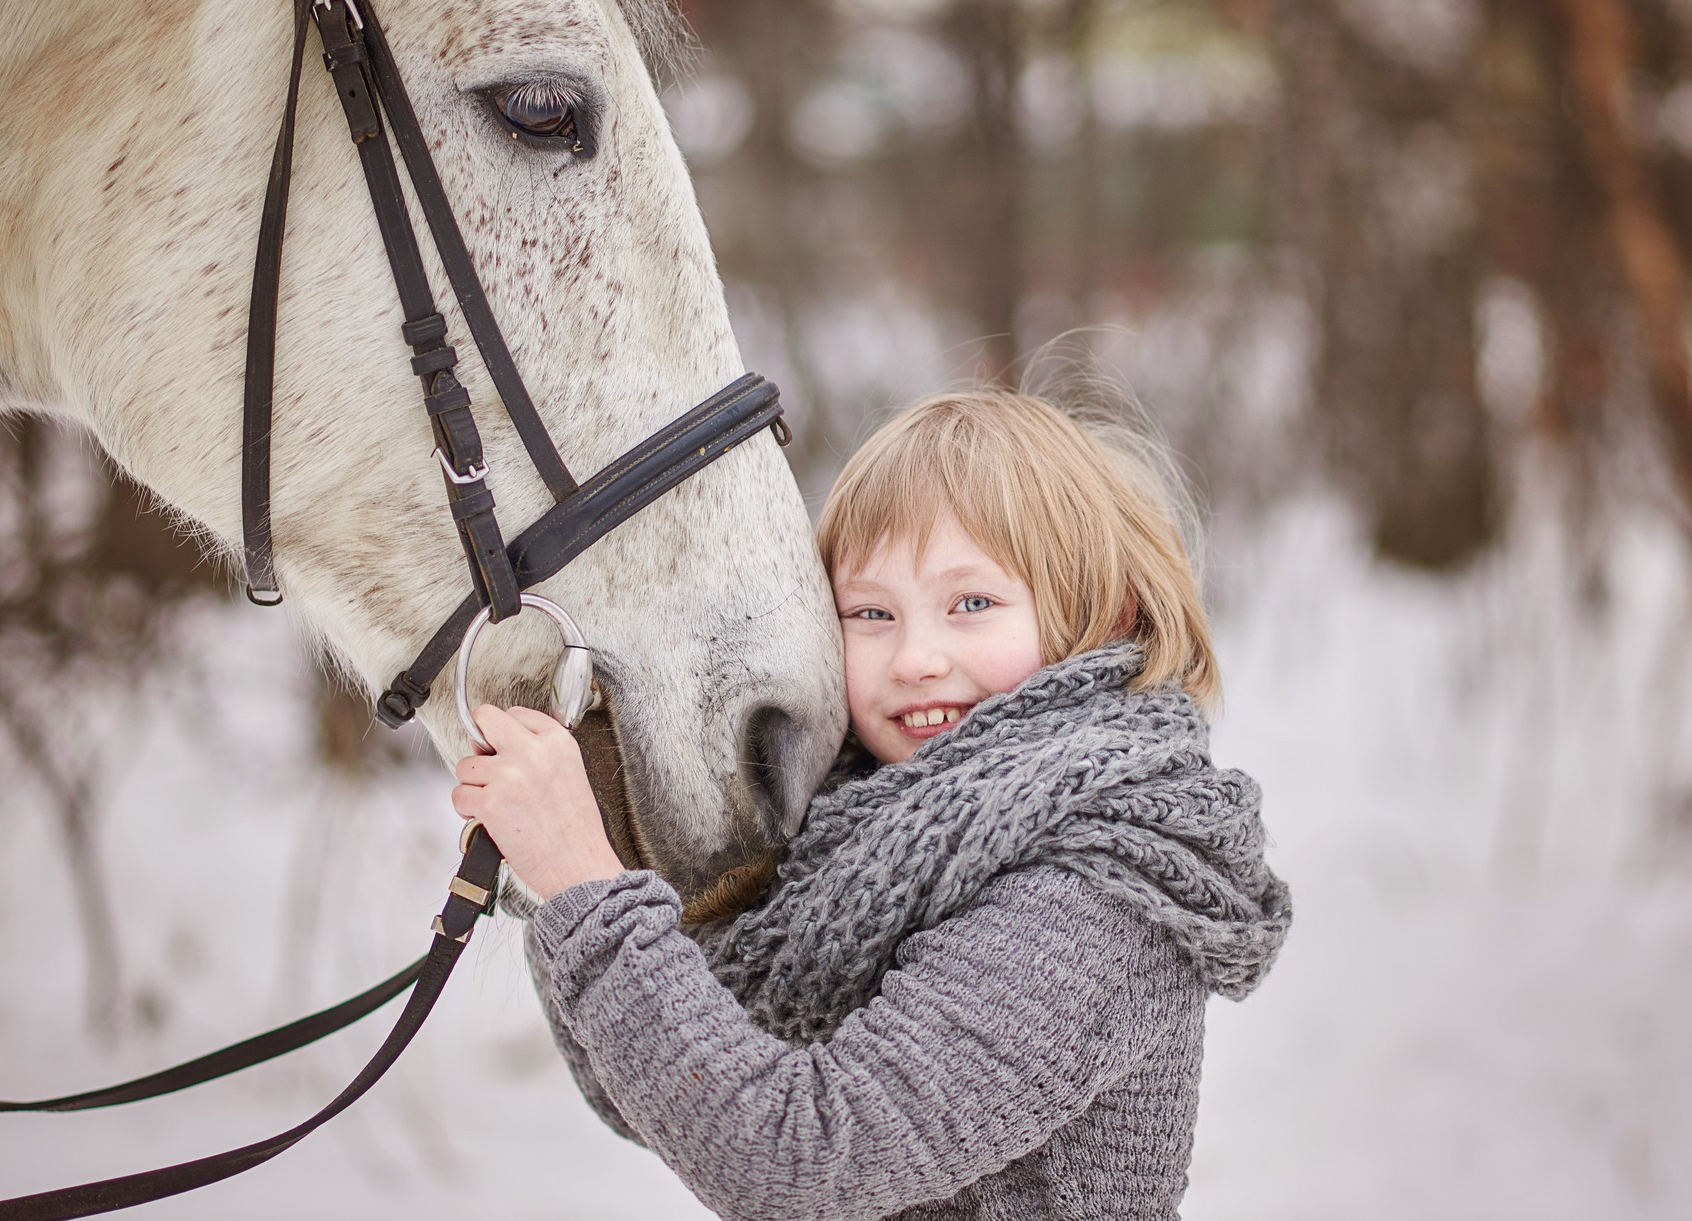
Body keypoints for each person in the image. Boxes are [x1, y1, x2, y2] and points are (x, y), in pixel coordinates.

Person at [452, 390, 1292, 1220]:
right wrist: (583, 826)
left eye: (973, 603)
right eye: (872, 613)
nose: (916, 657)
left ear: (1101, 612)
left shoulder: (1100, 891)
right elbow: (646, 1093)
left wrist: (584, 887)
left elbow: (800, 1160)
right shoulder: (857, 835)